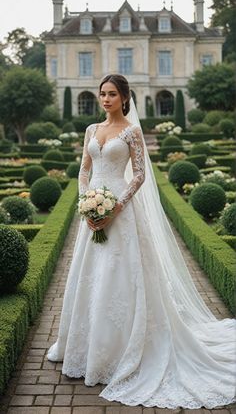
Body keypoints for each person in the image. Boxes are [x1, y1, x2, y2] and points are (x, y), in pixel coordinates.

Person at [47, 74, 236, 408]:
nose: (105, 99)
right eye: (102, 94)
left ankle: (123, 350)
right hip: (92, 211)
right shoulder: (92, 130)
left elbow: (139, 174)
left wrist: (116, 207)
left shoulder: (132, 132)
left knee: (120, 276)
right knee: (90, 277)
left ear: (124, 97)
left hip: (121, 210)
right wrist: (86, 205)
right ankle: (86, 347)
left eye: (111, 94)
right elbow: (83, 170)